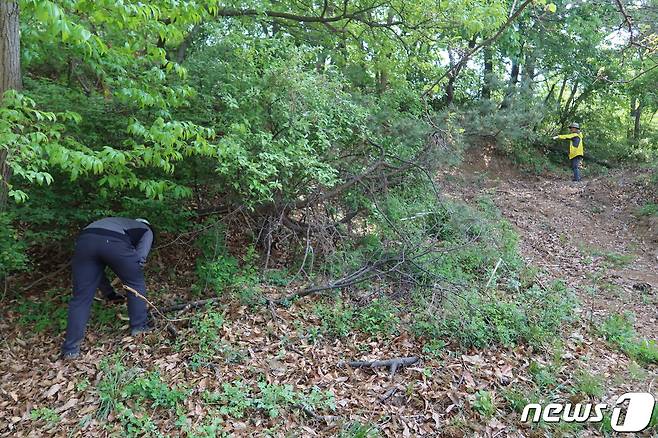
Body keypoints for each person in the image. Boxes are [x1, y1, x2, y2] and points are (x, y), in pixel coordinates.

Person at [60, 217, 154, 359]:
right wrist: (133, 268)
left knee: (81, 298)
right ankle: (139, 327)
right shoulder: (146, 230)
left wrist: (110, 294)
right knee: (135, 282)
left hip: (85, 240)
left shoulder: (120, 222)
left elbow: (96, 273)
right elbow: (140, 258)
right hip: (114, 241)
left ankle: (70, 349)